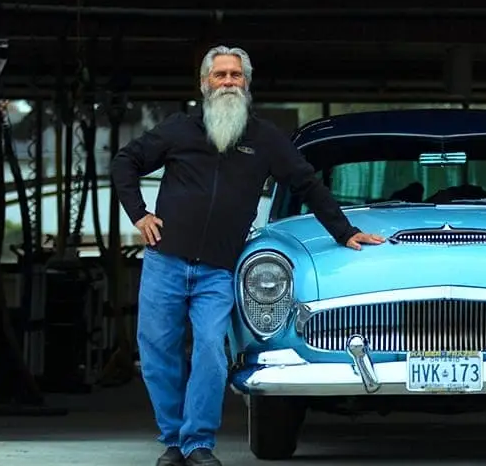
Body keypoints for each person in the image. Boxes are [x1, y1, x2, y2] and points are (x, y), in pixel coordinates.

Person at [110, 45, 384, 466]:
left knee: (210, 352)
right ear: (204, 84)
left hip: (220, 270)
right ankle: (172, 441)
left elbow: (307, 183)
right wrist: (139, 214)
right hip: (165, 262)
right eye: (219, 75)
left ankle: (198, 443)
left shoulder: (265, 138)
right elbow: (125, 162)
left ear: (247, 84)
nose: (227, 83)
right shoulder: (179, 130)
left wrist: (345, 232)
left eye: (235, 76)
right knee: (157, 352)